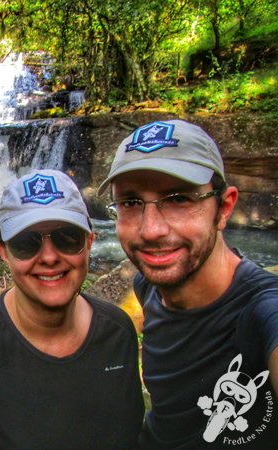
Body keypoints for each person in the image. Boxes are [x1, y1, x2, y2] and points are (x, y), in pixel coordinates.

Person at [98, 119, 278, 449]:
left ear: (224, 208)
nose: (150, 230)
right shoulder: (148, 285)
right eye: (130, 203)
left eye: (178, 199)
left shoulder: (263, 311)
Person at [0, 169, 144, 449]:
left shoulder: (118, 332)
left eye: (67, 238)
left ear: (89, 242)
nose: (49, 257)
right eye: (27, 243)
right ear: (3, 252)